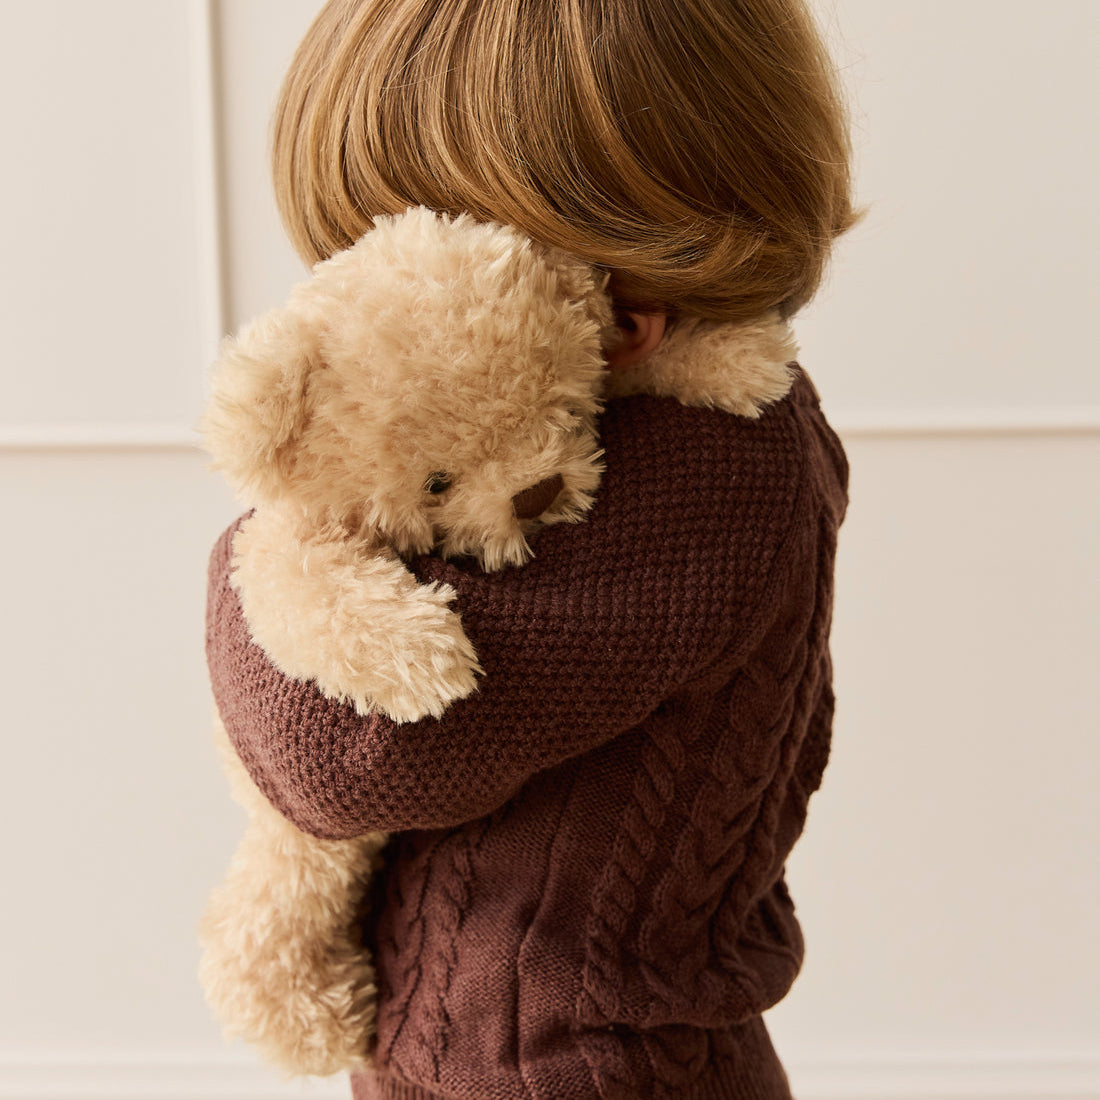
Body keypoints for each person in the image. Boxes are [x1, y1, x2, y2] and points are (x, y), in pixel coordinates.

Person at [205, 0, 857, 1096]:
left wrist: (275, 534)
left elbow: (344, 751)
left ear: (624, 314)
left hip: (585, 1071)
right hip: (444, 1053)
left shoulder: (710, 465)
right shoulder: (583, 427)